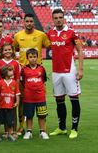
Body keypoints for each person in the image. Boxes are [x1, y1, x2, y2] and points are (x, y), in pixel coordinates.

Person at [47, 9, 83, 139]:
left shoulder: (71, 32)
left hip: (70, 71)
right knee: (59, 101)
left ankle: (74, 129)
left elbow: (80, 50)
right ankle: (62, 127)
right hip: (56, 72)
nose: (58, 20)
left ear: (64, 18)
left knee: (74, 99)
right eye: (55, 18)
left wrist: (80, 70)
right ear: (52, 19)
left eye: (60, 17)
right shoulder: (50, 33)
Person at [13, 13, 51, 134]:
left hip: (37, 74)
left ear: (33, 22)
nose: (29, 23)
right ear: (23, 22)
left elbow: (50, 46)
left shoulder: (41, 35)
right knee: (22, 101)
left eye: (31, 21)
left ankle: (42, 128)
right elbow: (14, 49)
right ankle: (21, 126)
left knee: (40, 99)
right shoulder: (18, 36)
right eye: (27, 21)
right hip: (23, 73)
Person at [21, 48, 49, 140]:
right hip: (28, 97)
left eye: (34, 57)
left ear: (37, 57)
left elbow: (43, 80)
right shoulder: (24, 69)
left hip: (40, 97)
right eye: (30, 57)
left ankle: (43, 131)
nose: (32, 59)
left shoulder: (41, 68)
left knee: (42, 115)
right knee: (29, 115)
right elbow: (22, 82)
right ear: (27, 58)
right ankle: (29, 131)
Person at [0, 65, 20, 142]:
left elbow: (17, 93)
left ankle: (10, 134)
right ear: (5, 72)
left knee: (10, 121)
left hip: (10, 106)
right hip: (1, 106)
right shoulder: (0, 82)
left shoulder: (14, 82)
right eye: (10, 70)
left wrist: (17, 102)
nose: (12, 72)